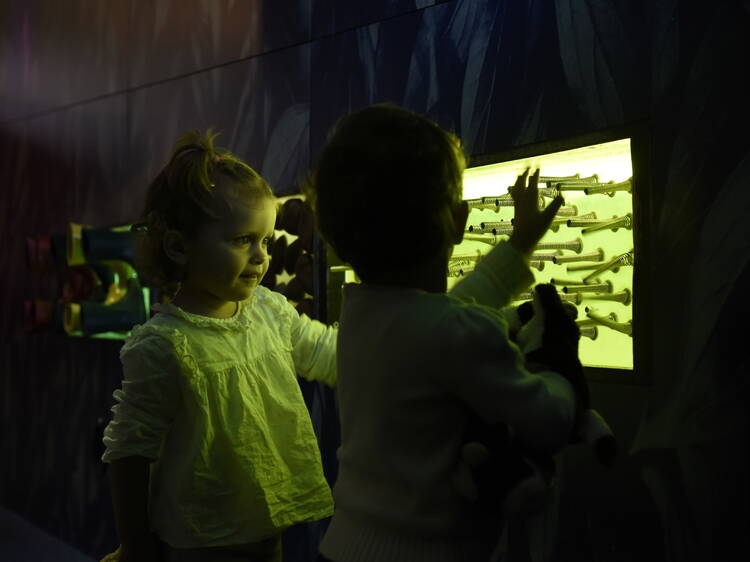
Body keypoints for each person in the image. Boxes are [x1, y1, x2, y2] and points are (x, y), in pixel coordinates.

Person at [304, 103, 577, 562]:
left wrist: (519, 245)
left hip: (344, 546)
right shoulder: (449, 331)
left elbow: (450, 313)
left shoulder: (362, 318)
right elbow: (548, 417)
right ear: (459, 219)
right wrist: (560, 368)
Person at [99, 130, 337, 562]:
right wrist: (135, 547)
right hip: (198, 542)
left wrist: (393, 349)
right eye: (242, 240)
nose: (262, 256)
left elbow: (326, 354)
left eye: (265, 240)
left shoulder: (269, 311)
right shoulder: (165, 346)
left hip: (267, 528)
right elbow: (130, 452)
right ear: (178, 246)